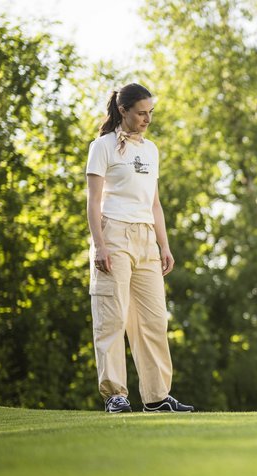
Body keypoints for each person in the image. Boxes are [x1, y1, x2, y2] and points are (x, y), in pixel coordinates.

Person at [86, 83, 194, 413]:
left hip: (147, 238)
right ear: (123, 111)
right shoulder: (101, 147)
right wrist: (99, 245)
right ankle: (115, 394)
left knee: (153, 320)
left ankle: (157, 396)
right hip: (113, 235)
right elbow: (93, 202)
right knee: (113, 317)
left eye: (151, 113)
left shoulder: (151, 150)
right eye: (141, 113)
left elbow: (155, 203)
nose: (147, 119)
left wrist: (164, 245)